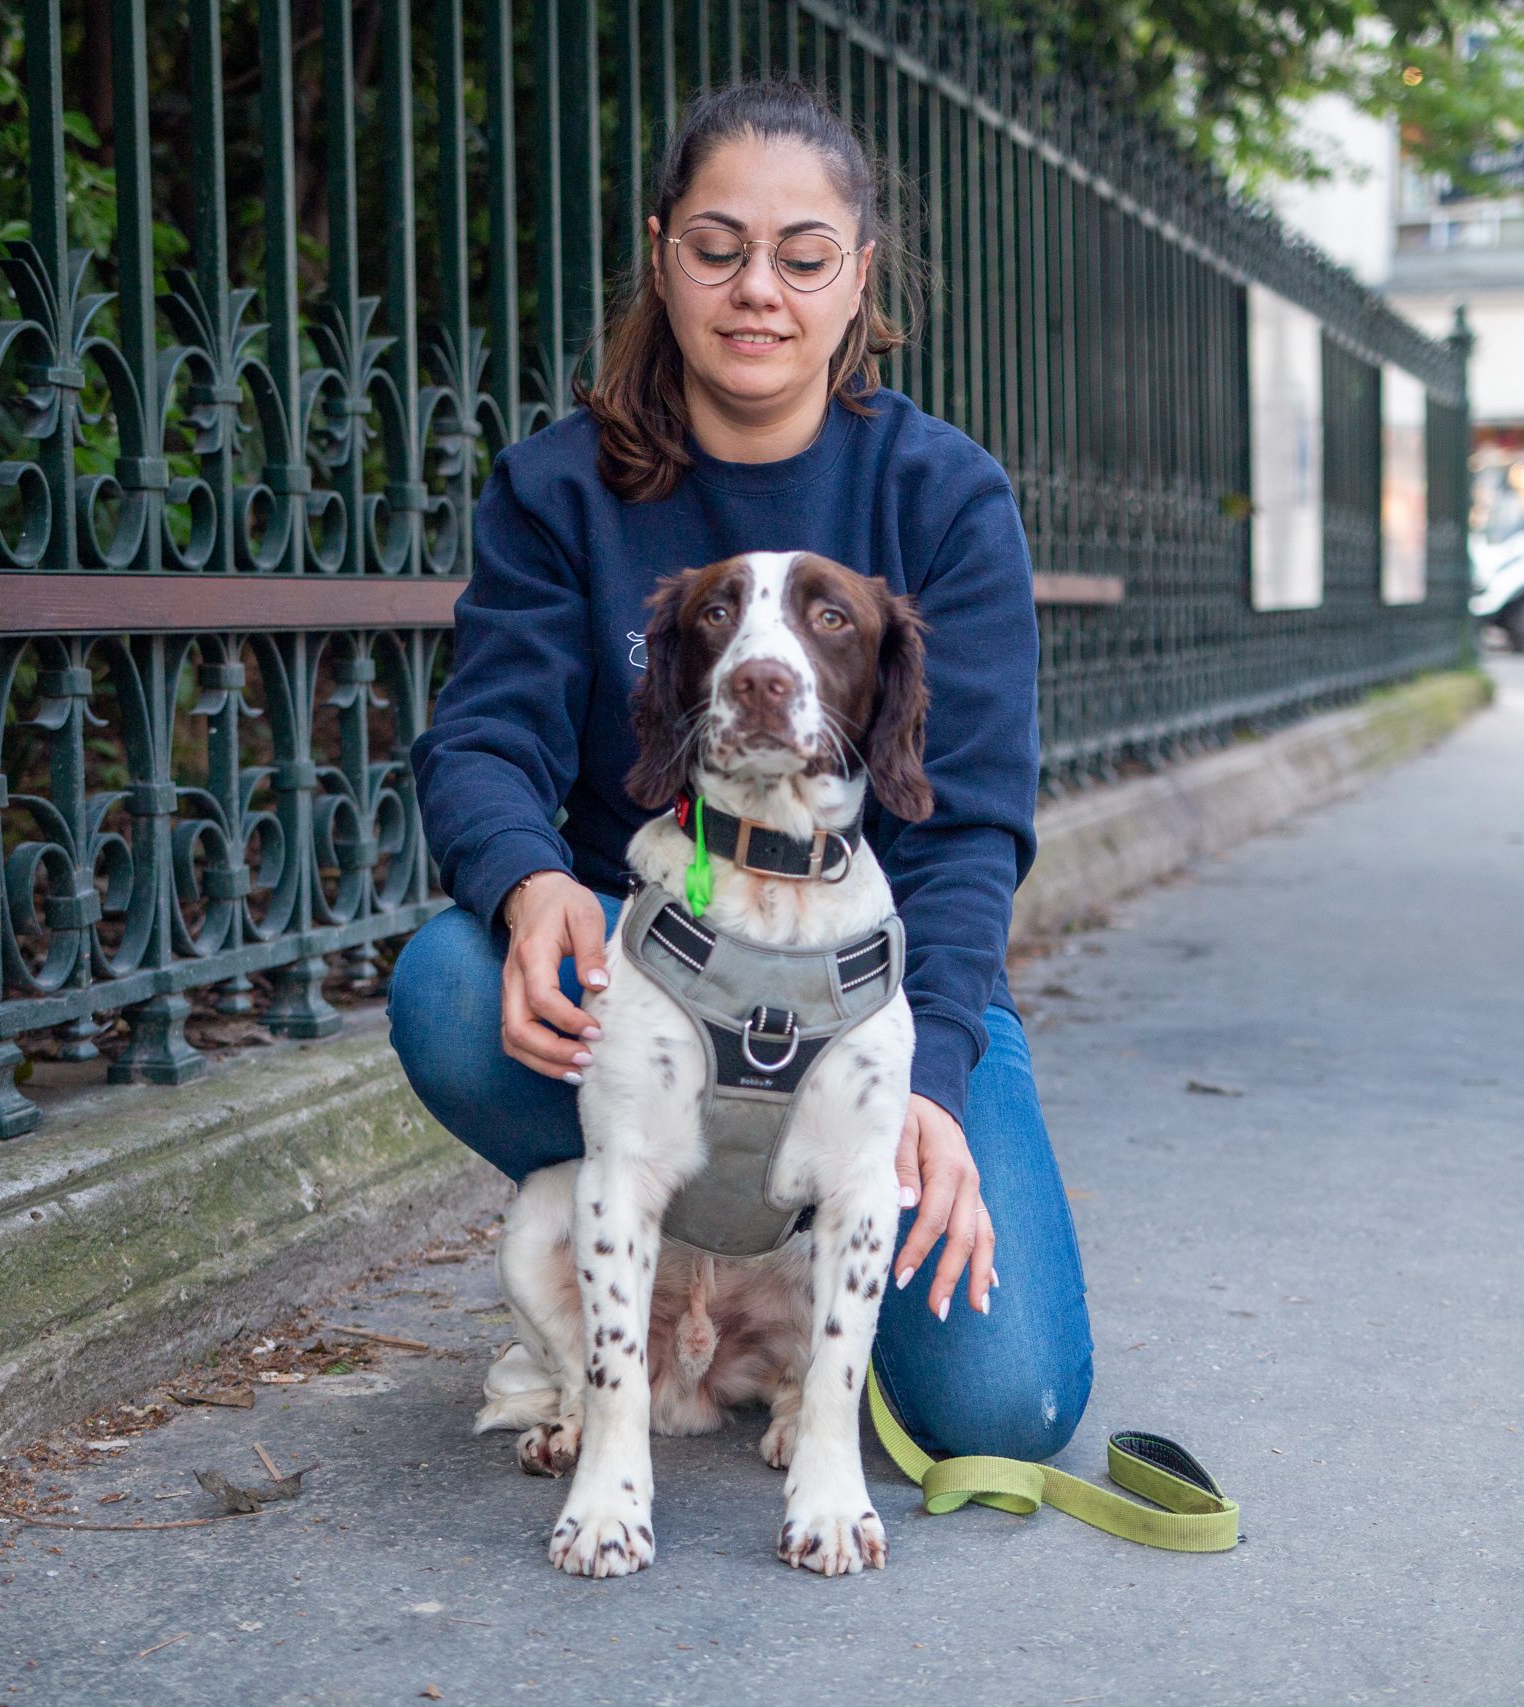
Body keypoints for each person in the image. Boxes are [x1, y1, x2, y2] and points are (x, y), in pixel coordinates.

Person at [388, 81, 1092, 1460]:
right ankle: (623, 1277)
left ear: (858, 278)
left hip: (877, 1000)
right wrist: (531, 883)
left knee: (1006, 1409)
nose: (757, 288)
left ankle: (770, 1287)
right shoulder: (560, 489)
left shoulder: (941, 497)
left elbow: (965, 834)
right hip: (654, 983)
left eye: (802, 254)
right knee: (452, 983)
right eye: (718, 248)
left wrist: (934, 1079)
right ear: (662, 254)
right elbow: (484, 738)